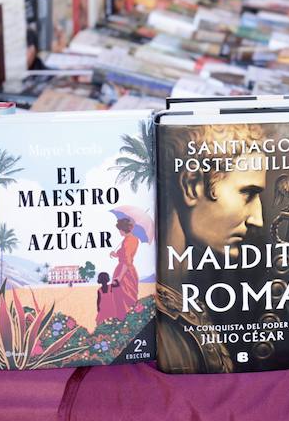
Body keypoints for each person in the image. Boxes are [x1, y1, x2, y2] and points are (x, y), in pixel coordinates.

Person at [156, 123, 268, 374]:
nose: (257, 219)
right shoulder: (160, 321)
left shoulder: (188, 301)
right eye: (248, 193)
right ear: (191, 185)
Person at [109, 216, 140, 311]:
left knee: (124, 296)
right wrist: (115, 254)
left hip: (125, 271)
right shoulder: (131, 239)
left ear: (123, 229)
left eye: (120, 230)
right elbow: (124, 254)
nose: (119, 232)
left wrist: (120, 277)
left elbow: (127, 260)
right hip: (125, 269)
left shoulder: (129, 240)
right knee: (120, 296)